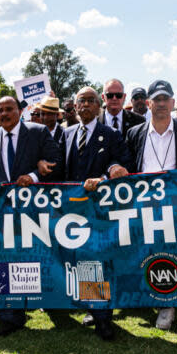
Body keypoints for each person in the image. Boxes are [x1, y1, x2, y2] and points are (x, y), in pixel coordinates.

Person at [0, 96, 61, 336]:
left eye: (9, 109)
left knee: (35, 259)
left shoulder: (38, 131)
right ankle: (10, 315)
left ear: (20, 111)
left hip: (35, 210)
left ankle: (50, 304)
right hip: (3, 212)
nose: (3, 114)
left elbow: (56, 161)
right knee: (1, 260)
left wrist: (33, 176)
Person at [126, 80, 177, 342]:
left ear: (172, 103)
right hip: (146, 208)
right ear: (148, 103)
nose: (160, 104)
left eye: (164, 99)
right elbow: (127, 167)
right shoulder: (135, 133)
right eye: (155, 99)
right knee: (155, 255)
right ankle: (165, 304)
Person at [59, 87, 130, 340]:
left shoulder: (110, 134)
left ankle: (103, 318)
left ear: (99, 105)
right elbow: (58, 168)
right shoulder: (65, 134)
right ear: (75, 106)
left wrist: (103, 176)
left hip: (100, 209)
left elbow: (122, 163)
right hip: (71, 210)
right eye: (82, 101)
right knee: (79, 260)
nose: (86, 105)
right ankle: (91, 307)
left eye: (91, 101)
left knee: (97, 259)